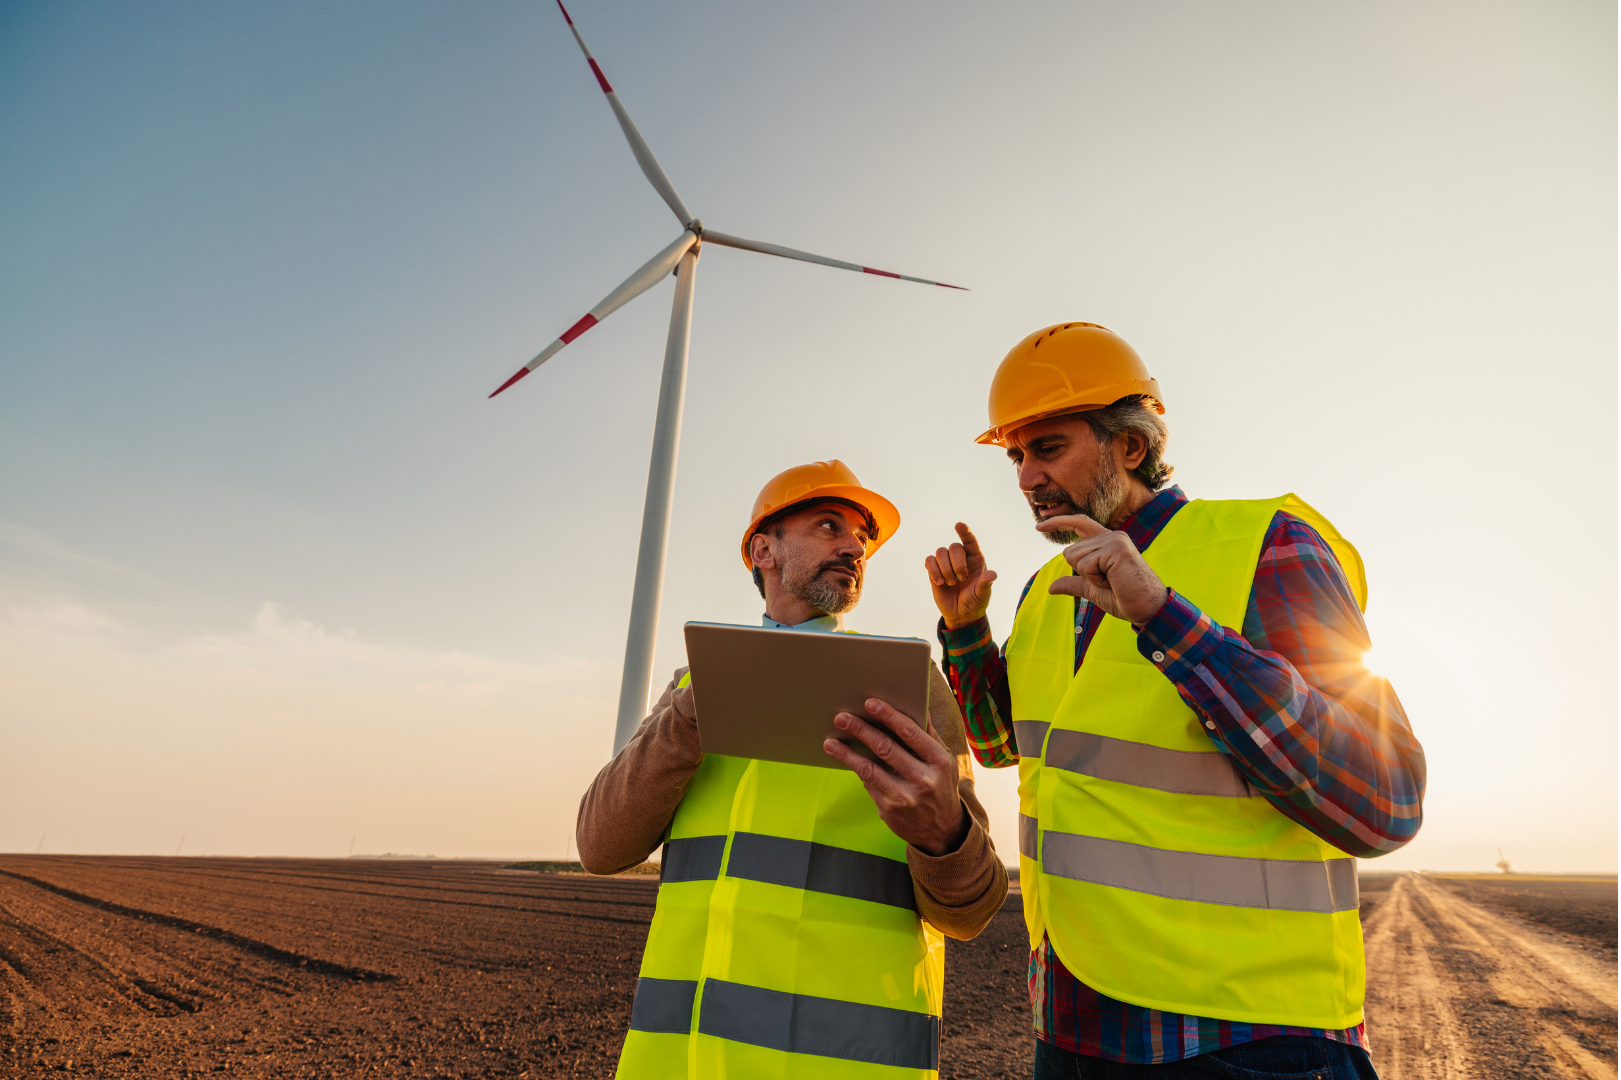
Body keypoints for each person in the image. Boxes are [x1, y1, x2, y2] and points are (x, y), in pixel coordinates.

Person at [925, 324, 1426, 1079]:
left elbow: (1380, 799)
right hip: (1073, 1023)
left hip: (1247, 1038)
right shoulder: (1043, 595)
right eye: (1015, 455)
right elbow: (1004, 750)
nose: (1025, 475)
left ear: (1130, 446)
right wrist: (965, 631)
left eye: (1048, 447)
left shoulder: (1266, 545)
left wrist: (1166, 618)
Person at [579, 458, 1009, 1079]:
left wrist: (943, 832)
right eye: (829, 526)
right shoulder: (693, 686)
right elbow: (599, 846)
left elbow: (971, 911)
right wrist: (692, 712)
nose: (853, 546)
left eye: (862, 537)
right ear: (763, 549)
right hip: (686, 1062)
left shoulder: (910, 685)